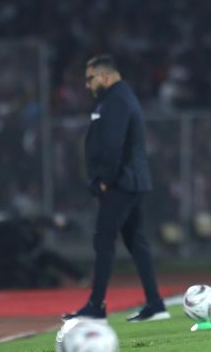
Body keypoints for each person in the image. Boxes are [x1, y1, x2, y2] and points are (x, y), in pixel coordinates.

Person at [62, 55, 169, 323]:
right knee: (136, 241)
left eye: (90, 78)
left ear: (105, 76)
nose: (87, 85)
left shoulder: (116, 99)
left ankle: (96, 306)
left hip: (121, 182)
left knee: (103, 240)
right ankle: (155, 304)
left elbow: (113, 144)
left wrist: (105, 178)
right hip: (130, 180)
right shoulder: (118, 97)